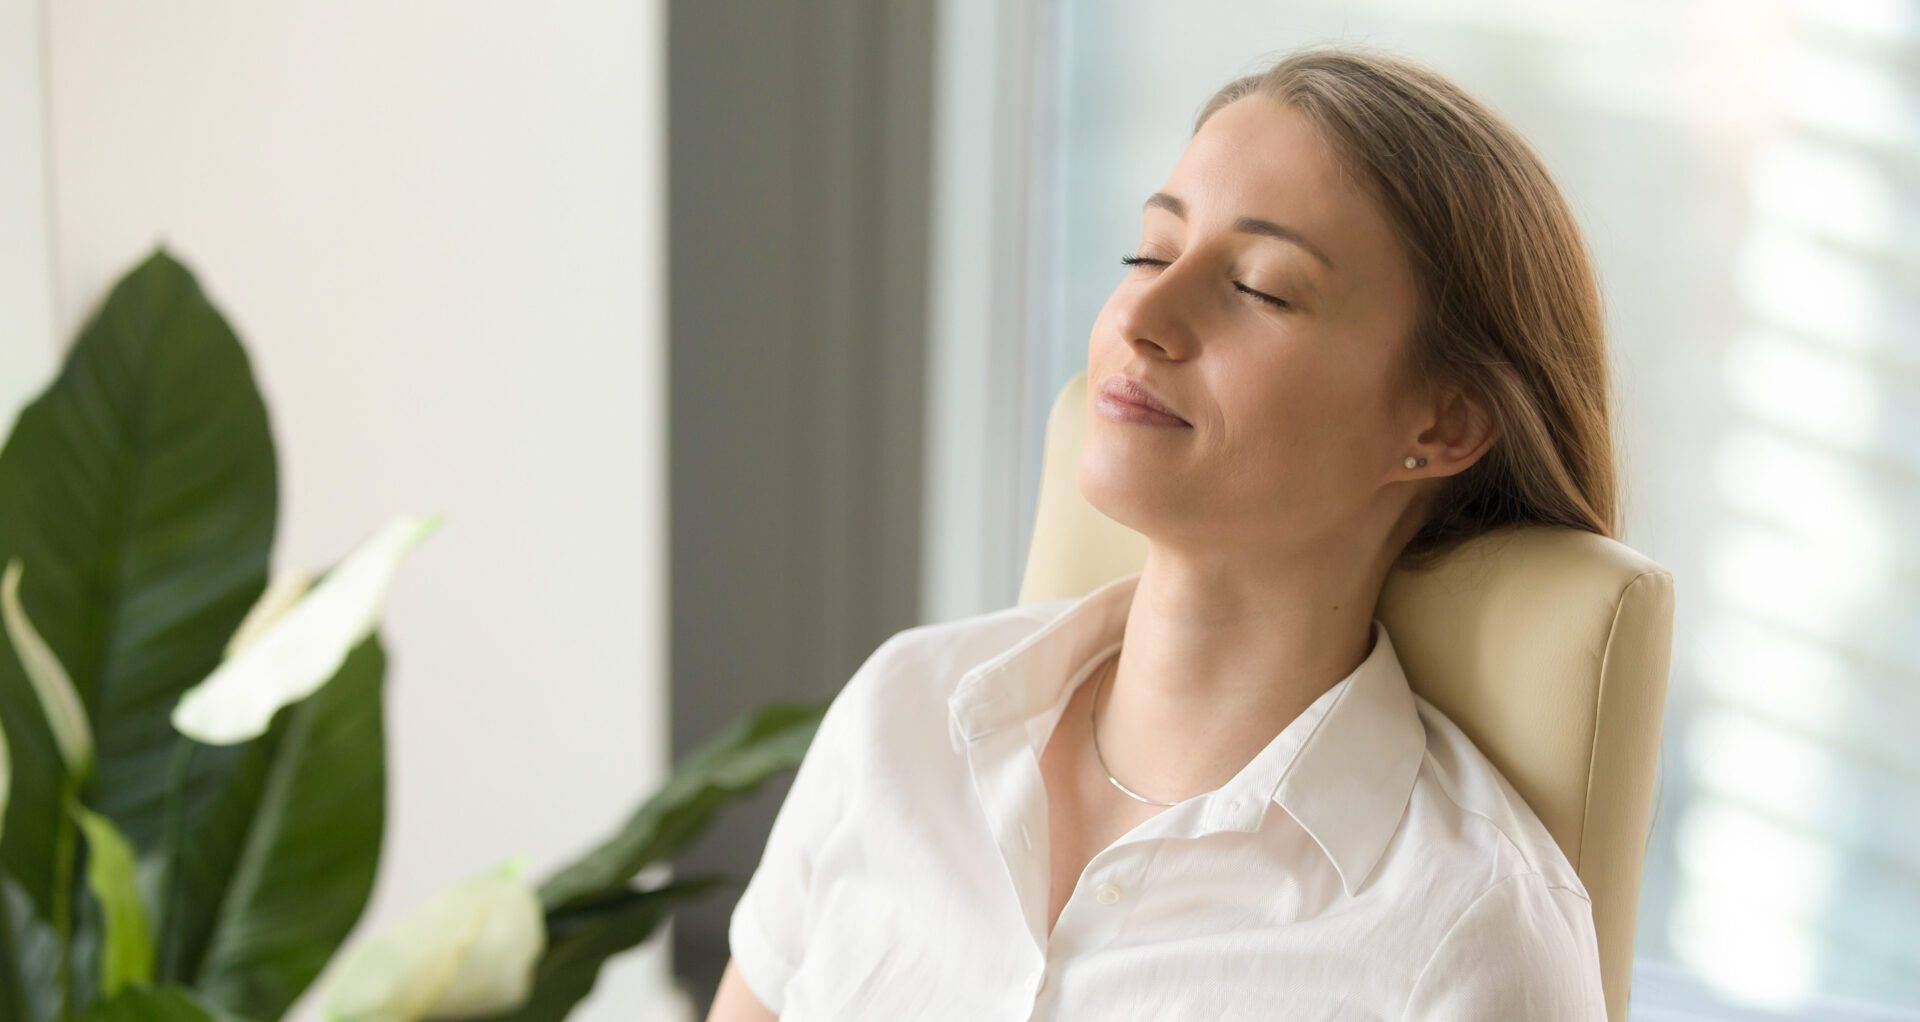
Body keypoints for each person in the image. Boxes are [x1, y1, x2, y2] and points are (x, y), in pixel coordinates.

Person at [708, 43, 1615, 1021]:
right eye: (1150, 252)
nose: (1143, 312)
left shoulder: (1468, 938)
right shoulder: (907, 717)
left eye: (1262, 288)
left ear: (1442, 424)